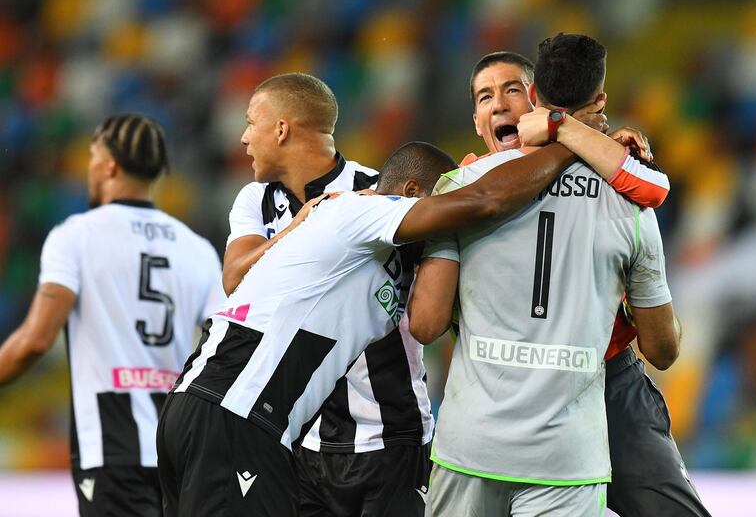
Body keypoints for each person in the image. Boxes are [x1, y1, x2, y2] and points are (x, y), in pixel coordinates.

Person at [156, 135, 591, 516]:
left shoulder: (376, 247)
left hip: (230, 413)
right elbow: (482, 202)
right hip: (235, 412)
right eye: (435, 203)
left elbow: (427, 322)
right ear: (413, 192)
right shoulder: (359, 213)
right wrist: (568, 144)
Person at [411, 47, 709, 516]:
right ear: (475, 120)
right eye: (485, 96)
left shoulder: (466, 187)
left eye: (512, 90)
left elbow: (425, 320)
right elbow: (654, 192)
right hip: (512, 399)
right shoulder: (467, 186)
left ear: (537, 105)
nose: (500, 105)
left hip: (602, 380)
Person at [222, 73, 434, 516]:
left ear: (281, 129)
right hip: (301, 436)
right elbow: (235, 281)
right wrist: (301, 225)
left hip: (388, 432)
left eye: (251, 122)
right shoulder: (255, 202)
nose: (243, 137)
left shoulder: (378, 190)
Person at [0, 114, 224, 517]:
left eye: (92, 154)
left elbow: (34, 341)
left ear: (110, 165)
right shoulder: (197, 248)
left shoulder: (75, 235)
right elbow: (225, 346)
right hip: (180, 450)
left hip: (111, 447)